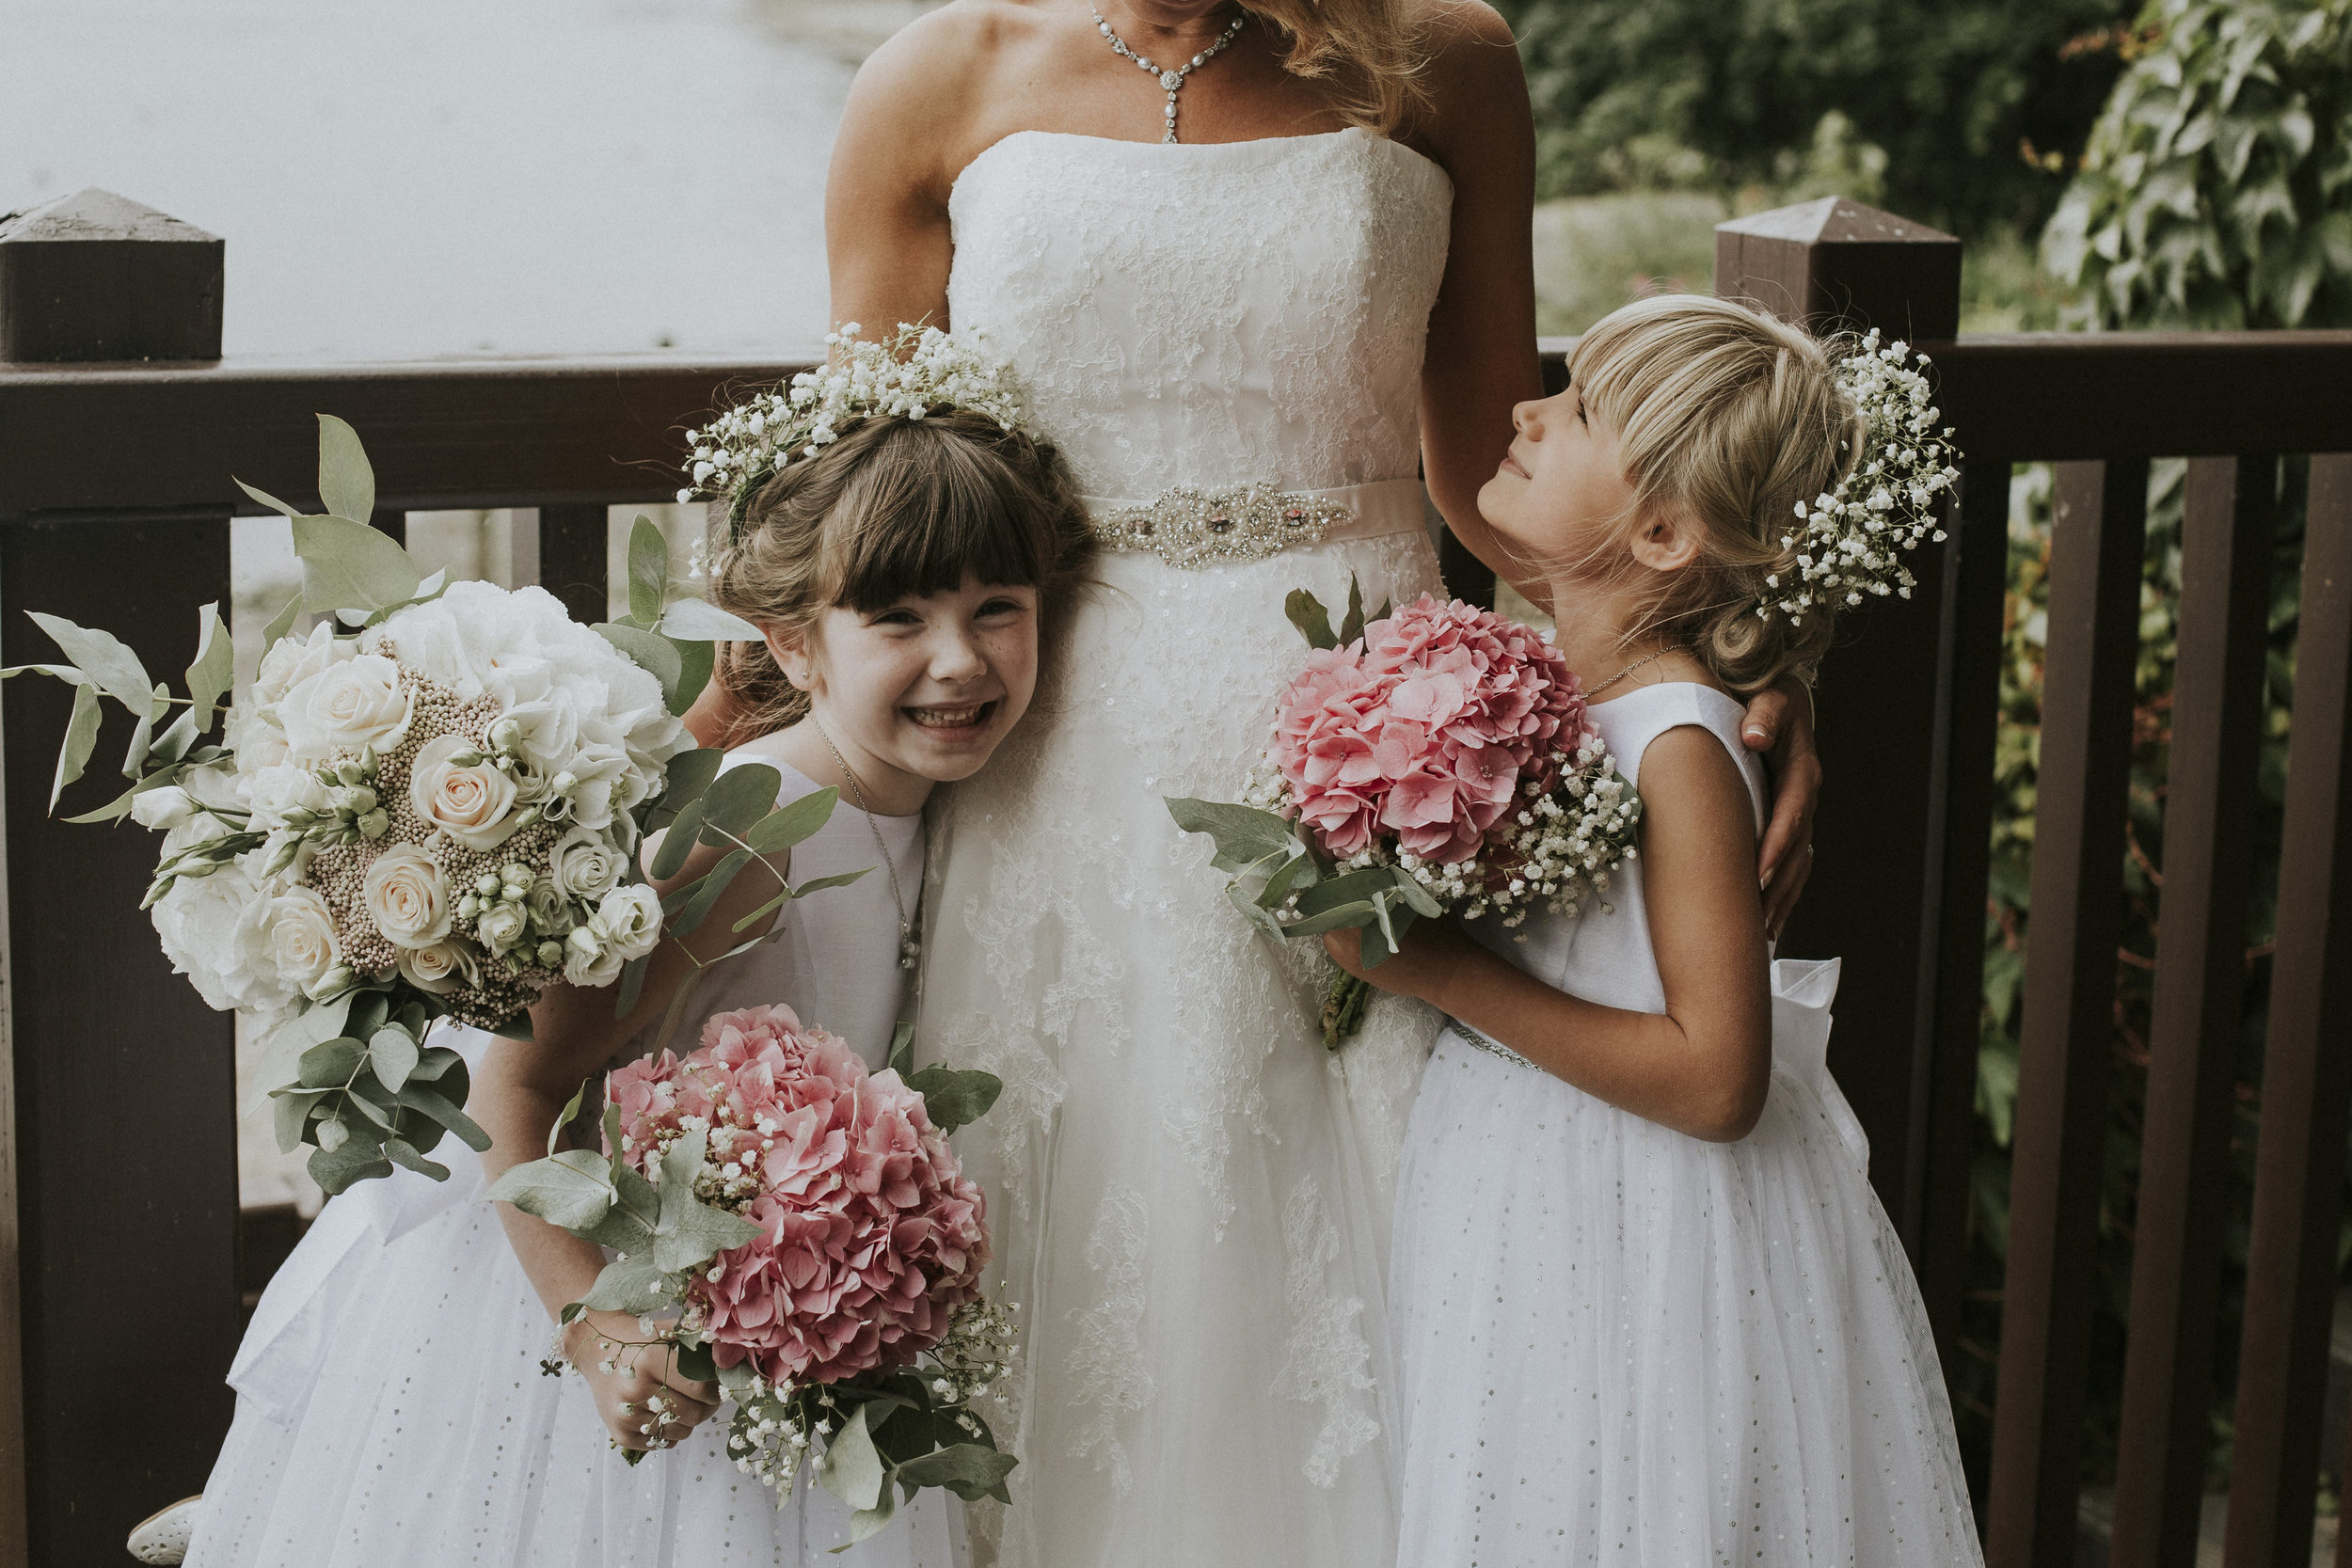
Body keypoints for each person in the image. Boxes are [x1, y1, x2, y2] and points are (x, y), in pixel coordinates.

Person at [738, 4, 1824, 1565]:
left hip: (1397, 761)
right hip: (1059, 758)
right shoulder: (932, 80)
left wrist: (1728, 672)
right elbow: (875, 519)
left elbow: (1496, 479)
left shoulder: (1447, 57)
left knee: (1381, 1237)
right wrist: (701, 748)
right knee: (1080, 1237)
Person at [180, 405, 1093, 1568]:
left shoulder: (940, 814)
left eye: (995, 611)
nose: (958, 659)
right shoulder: (748, 833)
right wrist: (595, 1329)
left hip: (759, 1317)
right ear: (798, 644)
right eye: (899, 617)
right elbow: (511, 1095)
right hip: (582, 1304)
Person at [1331, 294, 1982, 1566]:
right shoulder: (1539, 687)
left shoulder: (1679, 743)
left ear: (1668, 530)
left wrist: (1441, 970)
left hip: (1633, 1216)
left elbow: (1718, 1075)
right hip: (1520, 1183)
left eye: (1575, 411)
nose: (1525, 410)